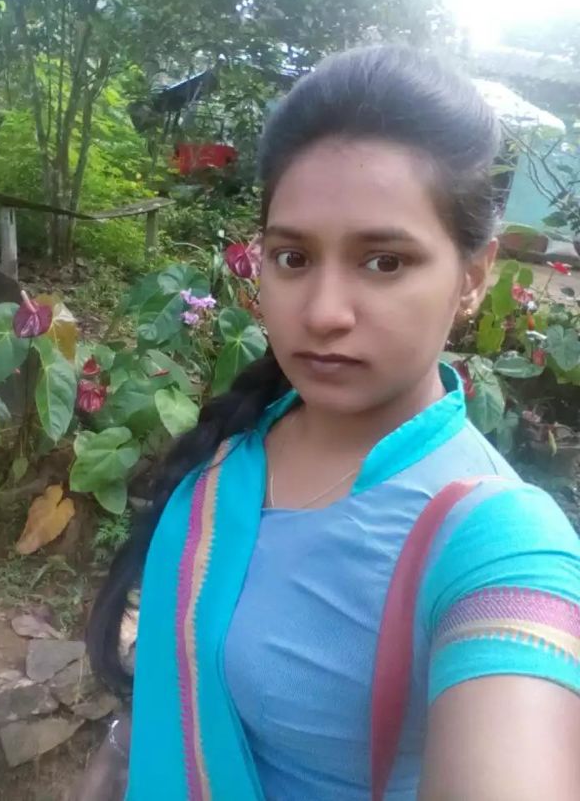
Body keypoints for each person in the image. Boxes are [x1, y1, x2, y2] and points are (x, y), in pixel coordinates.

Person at [86, 45, 580, 800]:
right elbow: (186, 670)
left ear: (474, 278)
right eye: (293, 257)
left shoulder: (498, 541)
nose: (322, 313)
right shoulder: (244, 442)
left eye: (384, 262)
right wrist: (121, 754)